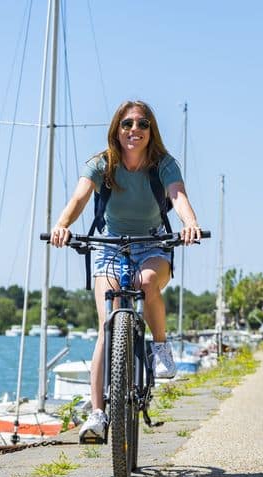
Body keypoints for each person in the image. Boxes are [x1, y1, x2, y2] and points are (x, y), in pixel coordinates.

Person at [49, 100, 203, 441]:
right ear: (116, 130)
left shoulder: (163, 164)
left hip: (152, 244)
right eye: (127, 124)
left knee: (146, 282)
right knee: (107, 325)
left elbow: (178, 196)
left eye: (142, 124)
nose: (135, 130)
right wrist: (62, 225)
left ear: (151, 130)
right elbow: (79, 198)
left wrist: (190, 223)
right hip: (109, 246)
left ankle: (160, 347)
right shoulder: (101, 164)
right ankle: (97, 414)